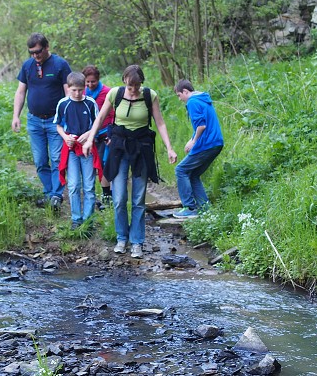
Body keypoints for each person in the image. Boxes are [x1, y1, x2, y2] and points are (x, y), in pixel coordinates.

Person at [82, 65, 177, 259]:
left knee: (138, 199)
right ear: (124, 81)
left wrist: (169, 147)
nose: (132, 90)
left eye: (136, 86)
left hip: (141, 147)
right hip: (119, 147)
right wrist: (90, 139)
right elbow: (100, 118)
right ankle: (121, 238)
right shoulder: (115, 94)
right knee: (118, 199)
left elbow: (160, 122)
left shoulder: (150, 96)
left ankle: (137, 242)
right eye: (129, 86)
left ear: (141, 83)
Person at [12, 33, 71, 210]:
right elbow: (21, 91)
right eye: (32, 52)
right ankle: (49, 193)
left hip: (55, 122)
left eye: (38, 51)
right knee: (39, 161)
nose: (35, 56)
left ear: (46, 47)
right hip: (34, 121)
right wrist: (16, 115)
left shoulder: (60, 64)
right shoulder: (28, 65)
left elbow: (68, 93)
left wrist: (68, 118)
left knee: (56, 158)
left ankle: (56, 196)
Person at [54, 72, 102, 229]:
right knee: (74, 185)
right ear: (68, 88)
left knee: (88, 185)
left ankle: (88, 221)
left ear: (85, 88)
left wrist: (88, 135)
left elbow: (97, 123)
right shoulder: (63, 103)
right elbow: (58, 125)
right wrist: (65, 137)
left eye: (81, 90)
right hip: (71, 149)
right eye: (74, 90)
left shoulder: (90, 103)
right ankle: (76, 219)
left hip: (87, 148)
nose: (77, 93)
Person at [172, 79, 224, 218]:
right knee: (193, 174)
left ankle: (189, 207)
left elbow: (201, 126)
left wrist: (194, 141)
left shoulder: (192, 102)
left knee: (181, 170)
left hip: (207, 144)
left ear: (185, 91)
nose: (179, 99)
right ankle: (205, 208)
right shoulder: (202, 99)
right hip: (216, 143)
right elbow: (203, 124)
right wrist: (192, 138)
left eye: (179, 95)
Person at [82, 65, 115, 205]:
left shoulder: (107, 92)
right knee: (90, 166)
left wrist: (112, 134)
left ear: (98, 79)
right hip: (86, 136)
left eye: (93, 82)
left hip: (104, 134)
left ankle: (107, 196)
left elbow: (113, 115)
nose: (90, 85)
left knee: (104, 164)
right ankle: (91, 196)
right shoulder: (82, 92)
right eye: (87, 82)